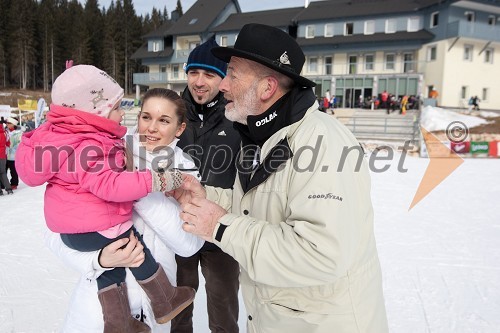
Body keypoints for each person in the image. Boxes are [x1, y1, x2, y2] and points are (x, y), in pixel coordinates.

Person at [175, 23, 389, 333]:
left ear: (266, 88)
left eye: (233, 74)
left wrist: (219, 226)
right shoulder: (260, 137)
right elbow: (249, 205)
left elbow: (320, 254)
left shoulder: (322, 143)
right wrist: (202, 195)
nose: (223, 85)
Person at [16, 65, 196, 333]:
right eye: (146, 117)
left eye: (164, 120)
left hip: (146, 311)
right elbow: (57, 235)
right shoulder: (102, 145)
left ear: (179, 128)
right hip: (93, 311)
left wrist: (141, 196)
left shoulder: (184, 168)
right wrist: (98, 260)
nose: (152, 127)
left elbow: (189, 244)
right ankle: (143, 308)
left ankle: (148, 307)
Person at [173, 38, 241, 333]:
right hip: (177, 227)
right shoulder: (171, 112)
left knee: (223, 308)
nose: (199, 82)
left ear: (223, 78)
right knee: (178, 304)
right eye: (193, 73)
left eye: (209, 74)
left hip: (220, 231)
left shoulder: (239, 116)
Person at [5, 117, 21, 189]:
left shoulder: (19, 133)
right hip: (5, 154)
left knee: (13, 170)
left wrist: (12, 147)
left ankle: (14, 183)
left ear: (13, 124)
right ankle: (3, 183)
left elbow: (19, 144)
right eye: (7, 123)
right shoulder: (5, 131)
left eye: (9, 123)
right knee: (3, 170)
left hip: (13, 155)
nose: (7, 124)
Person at [0, 121, 13, 195]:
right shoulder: (5, 133)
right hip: (3, 155)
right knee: (3, 172)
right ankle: (9, 189)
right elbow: (8, 143)